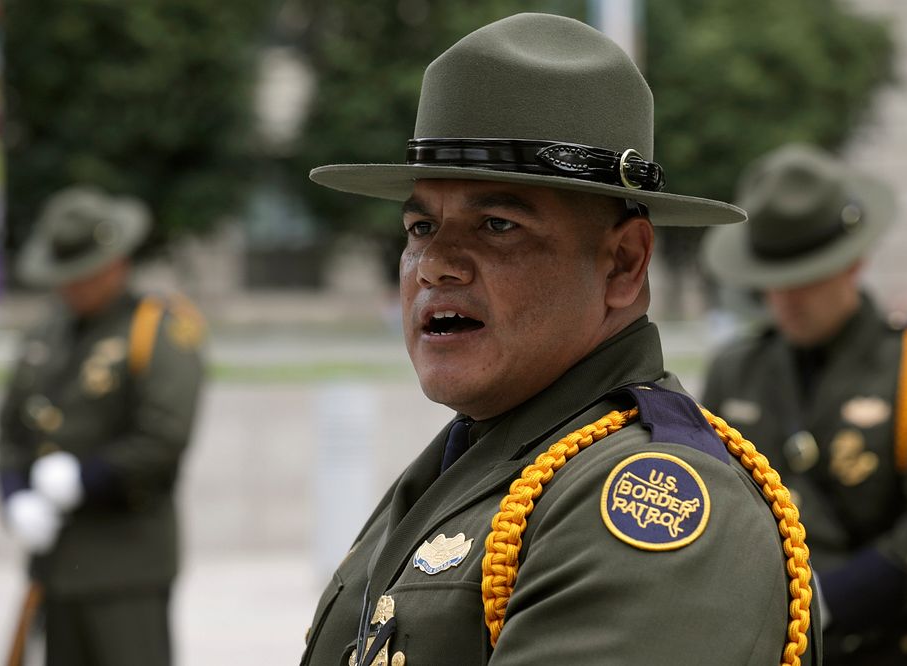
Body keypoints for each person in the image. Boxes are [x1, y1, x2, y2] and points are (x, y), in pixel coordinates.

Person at [301, 13, 820, 666]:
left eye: (497, 224)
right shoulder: (481, 457)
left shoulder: (652, 499)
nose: (436, 264)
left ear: (624, 264)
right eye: (421, 227)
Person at [701, 144, 907, 665]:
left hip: (887, 643)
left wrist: (813, 612)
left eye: (808, 273)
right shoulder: (736, 368)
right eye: (774, 277)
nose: (788, 296)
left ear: (854, 260)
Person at [0, 186, 206, 665]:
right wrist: (13, 496)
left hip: (125, 563)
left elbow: (164, 436)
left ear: (113, 264)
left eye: (80, 275)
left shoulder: (156, 328)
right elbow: (9, 429)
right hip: (56, 562)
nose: (68, 287)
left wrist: (87, 479)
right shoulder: (45, 333)